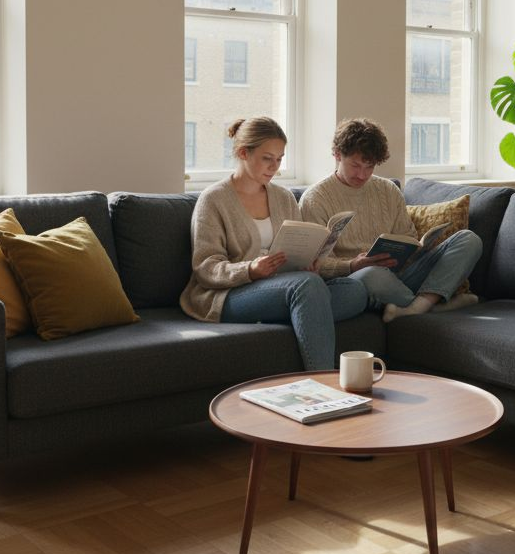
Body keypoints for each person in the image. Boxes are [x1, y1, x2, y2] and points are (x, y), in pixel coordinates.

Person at [180, 117, 367, 370]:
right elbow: (205, 267)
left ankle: (302, 311)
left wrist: (309, 261)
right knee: (308, 288)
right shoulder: (213, 200)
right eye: (268, 158)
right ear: (243, 152)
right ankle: (325, 380)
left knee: (355, 290)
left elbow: (298, 246)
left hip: (284, 285)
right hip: (231, 293)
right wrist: (250, 269)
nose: (275, 167)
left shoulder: (283, 196)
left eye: (279, 159)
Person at [300, 118, 482, 322]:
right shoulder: (315, 199)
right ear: (337, 155)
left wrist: (416, 248)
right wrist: (352, 265)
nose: (362, 175)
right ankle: (432, 306)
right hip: (359, 280)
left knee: (468, 239)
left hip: (401, 273)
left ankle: (419, 306)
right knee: (371, 274)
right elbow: (315, 263)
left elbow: (408, 236)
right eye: (355, 165)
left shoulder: (388, 190)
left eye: (369, 167)